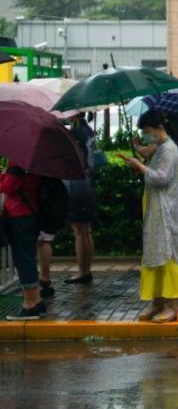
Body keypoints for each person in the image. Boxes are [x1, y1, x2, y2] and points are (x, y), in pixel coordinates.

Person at [121, 110, 178, 322]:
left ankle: (174, 306)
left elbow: (162, 177)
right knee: (152, 255)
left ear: (160, 129)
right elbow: (152, 166)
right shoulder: (159, 148)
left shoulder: (168, 149)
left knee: (166, 256)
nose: (147, 136)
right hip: (155, 209)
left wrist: (140, 166)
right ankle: (157, 302)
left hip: (165, 212)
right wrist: (139, 159)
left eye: (148, 132)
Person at [2, 163, 45, 320]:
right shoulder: (36, 162)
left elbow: (7, 187)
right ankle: (37, 299)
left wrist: (4, 175)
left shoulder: (17, 163)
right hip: (32, 212)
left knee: (23, 258)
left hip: (19, 214)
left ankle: (29, 304)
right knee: (28, 256)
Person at [63, 113, 96, 285]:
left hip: (77, 183)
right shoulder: (88, 130)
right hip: (88, 182)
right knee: (86, 230)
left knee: (79, 231)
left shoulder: (75, 134)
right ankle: (86, 270)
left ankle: (83, 272)